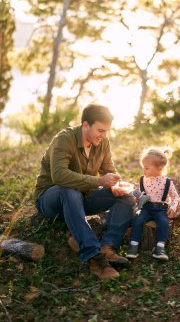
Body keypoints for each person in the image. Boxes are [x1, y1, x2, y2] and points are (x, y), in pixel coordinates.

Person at [34, 104, 135, 279]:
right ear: (85, 125)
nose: (104, 136)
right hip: (51, 198)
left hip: (81, 197)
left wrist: (115, 185)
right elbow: (59, 176)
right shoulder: (64, 139)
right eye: (100, 130)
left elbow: (108, 171)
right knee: (69, 189)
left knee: (127, 197)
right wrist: (99, 181)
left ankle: (108, 247)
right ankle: (93, 257)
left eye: (107, 131)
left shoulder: (102, 142)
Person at [126, 146, 179, 261]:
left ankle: (160, 247)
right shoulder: (143, 179)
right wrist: (136, 197)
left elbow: (175, 196)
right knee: (138, 220)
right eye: (143, 168)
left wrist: (173, 207)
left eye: (147, 168)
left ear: (159, 168)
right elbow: (140, 193)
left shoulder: (167, 182)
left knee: (164, 222)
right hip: (146, 208)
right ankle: (133, 244)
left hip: (161, 209)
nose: (144, 171)